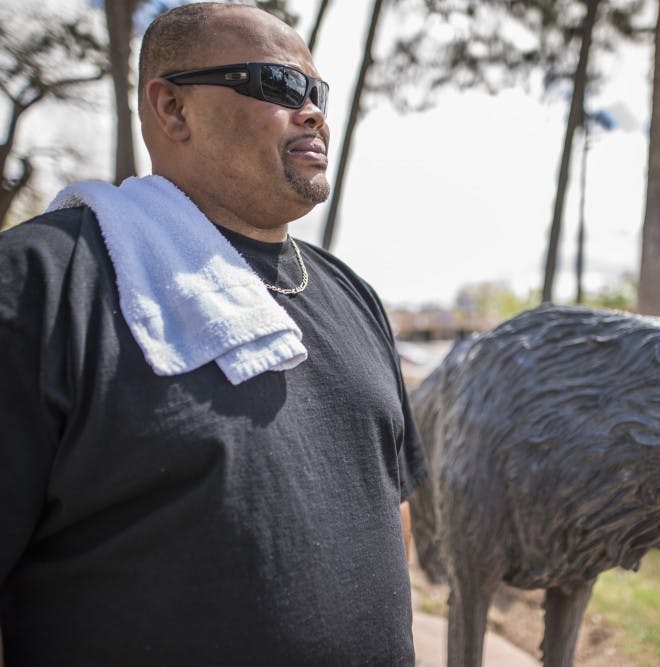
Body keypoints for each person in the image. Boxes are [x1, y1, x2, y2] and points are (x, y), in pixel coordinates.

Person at [0, 4, 425, 665]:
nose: (312, 112)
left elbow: (387, 505)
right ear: (172, 109)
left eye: (318, 93)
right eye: (279, 85)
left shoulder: (353, 295)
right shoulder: (39, 284)